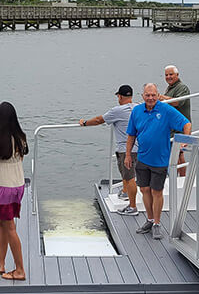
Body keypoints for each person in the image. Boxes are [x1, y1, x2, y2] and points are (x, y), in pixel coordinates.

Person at [125, 83, 192, 240]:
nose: (150, 98)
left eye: (153, 95)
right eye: (147, 95)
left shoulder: (165, 110)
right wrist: (128, 155)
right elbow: (131, 135)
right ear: (142, 96)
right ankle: (149, 220)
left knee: (157, 192)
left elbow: (186, 123)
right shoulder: (136, 111)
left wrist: (185, 139)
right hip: (142, 158)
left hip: (160, 160)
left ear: (158, 95)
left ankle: (157, 223)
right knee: (145, 190)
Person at [80, 85, 140, 216]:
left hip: (126, 150)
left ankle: (133, 207)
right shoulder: (138, 107)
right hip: (139, 147)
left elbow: (98, 120)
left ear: (120, 96)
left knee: (130, 178)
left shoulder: (118, 110)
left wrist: (84, 123)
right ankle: (124, 193)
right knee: (127, 175)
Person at [0, 101, 29, 281]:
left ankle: (20, 270)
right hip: (17, 185)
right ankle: (1, 262)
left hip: (2, 186)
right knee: (2, 224)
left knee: (9, 226)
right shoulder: (21, 138)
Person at [160, 65, 192, 176]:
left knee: (177, 154)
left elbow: (177, 102)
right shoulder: (171, 87)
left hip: (180, 127)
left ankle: (181, 178)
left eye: (171, 74)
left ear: (177, 75)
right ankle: (180, 177)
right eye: (166, 75)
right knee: (177, 154)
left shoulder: (182, 87)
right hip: (172, 128)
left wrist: (162, 98)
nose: (168, 77)